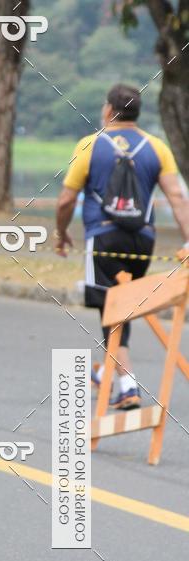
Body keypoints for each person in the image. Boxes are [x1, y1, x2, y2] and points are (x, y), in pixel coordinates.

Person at [54, 82, 189, 409]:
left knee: (111, 308)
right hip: (142, 239)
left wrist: (61, 232)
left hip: (104, 237)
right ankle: (106, 372)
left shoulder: (90, 145)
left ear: (108, 110)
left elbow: (67, 200)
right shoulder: (156, 146)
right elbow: (177, 197)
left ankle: (127, 384)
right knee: (123, 305)